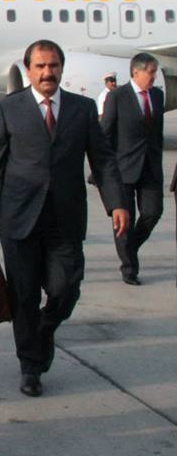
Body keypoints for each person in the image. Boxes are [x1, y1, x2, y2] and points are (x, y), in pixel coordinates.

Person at [0, 39, 127, 398]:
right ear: (28, 71)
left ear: (62, 69)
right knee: (24, 295)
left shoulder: (82, 109)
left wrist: (117, 203)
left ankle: (43, 332)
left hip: (65, 217)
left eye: (54, 66)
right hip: (18, 217)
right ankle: (30, 366)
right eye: (41, 66)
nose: (48, 73)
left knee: (65, 288)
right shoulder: (9, 109)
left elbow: (103, 160)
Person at [100, 53, 164, 286]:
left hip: (150, 168)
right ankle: (129, 268)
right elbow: (105, 132)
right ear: (136, 72)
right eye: (150, 72)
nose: (153, 77)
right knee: (124, 222)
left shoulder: (157, 95)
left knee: (153, 212)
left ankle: (130, 247)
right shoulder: (118, 96)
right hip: (123, 168)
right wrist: (101, 169)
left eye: (155, 72)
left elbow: (157, 133)